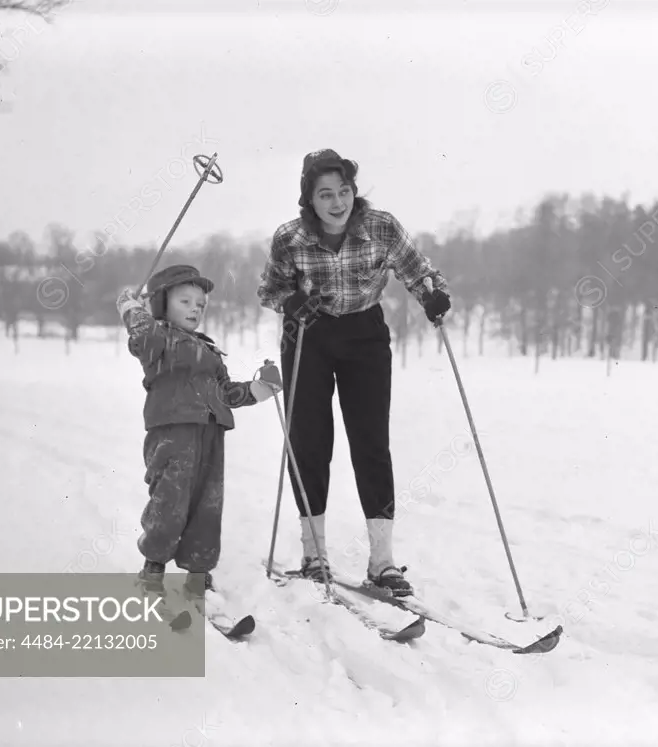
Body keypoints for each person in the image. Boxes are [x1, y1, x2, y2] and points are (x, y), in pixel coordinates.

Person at [257, 149, 452, 596]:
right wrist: (289, 303)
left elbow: (419, 271)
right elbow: (270, 288)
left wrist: (432, 295)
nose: (337, 202)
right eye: (326, 194)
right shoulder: (290, 238)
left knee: (371, 443)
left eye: (343, 191)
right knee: (310, 442)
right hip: (308, 334)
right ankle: (314, 555)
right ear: (309, 199)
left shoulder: (380, 227)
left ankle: (382, 563)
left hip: (364, 334)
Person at [116, 264, 283, 598]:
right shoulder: (157, 340)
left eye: (200, 305)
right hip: (172, 433)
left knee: (208, 503)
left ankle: (198, 571)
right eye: (185, 301)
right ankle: (153, 568)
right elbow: (143, 337)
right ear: (161, 304)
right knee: (170, 499)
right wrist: (133, 310)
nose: (195, 309)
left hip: (210, 434)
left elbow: (224, 393)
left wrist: (258, 388)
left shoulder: (209, 350)